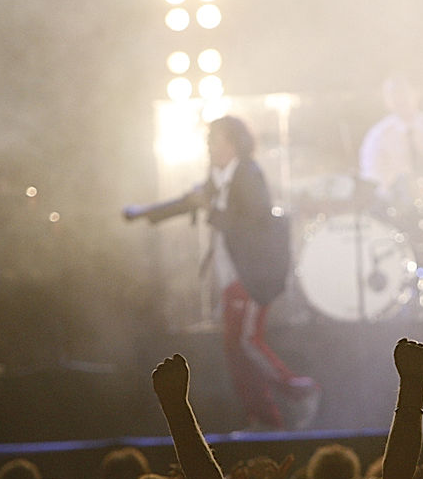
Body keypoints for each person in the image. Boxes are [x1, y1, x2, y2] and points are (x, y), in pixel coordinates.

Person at [126, 116, 319, 431]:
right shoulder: (219, 177)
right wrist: (144, 213)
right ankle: (263, 419)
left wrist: (211, 208)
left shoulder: (249, 175)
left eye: (213, 141)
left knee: (246, 342)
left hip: (253, 275)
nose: (208, 148)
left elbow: (254, 224)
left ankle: (299, 391)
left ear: (232, 143)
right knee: (235, 348)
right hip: (234, 274)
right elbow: (187, 202)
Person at [359, 76, 423, 211]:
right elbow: (372, 178)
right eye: (394, 95)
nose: (400, 99)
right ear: (386, 101)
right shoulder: (377, 136)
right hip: (395, 210)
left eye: (404, 92)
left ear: (415, 94)